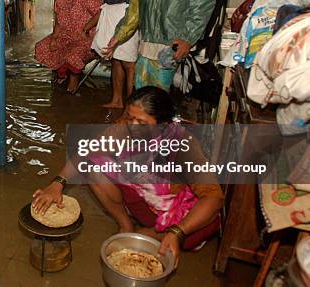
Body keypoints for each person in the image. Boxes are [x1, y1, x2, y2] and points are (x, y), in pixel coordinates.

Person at [32, 86, 223, 263]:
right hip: (144, 202)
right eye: (130, 117)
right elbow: (88, 149)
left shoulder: (184, 145)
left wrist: (177, 232)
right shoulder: (126, 128)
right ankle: (126, 225)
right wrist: (57, 183)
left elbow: (214, 198)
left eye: (141, 122)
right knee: (94, 169)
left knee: (205, 225)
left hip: (176, 210)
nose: (132, 126)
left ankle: (158, 234)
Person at [34, 0, 102, 93]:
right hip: (67, 36)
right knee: (43, 47)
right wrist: (54, 38)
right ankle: (62, 74)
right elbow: (59, 22)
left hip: (86, 37)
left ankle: (73, 83)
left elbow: (100, 13)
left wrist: (86, 28)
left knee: (73, 55)